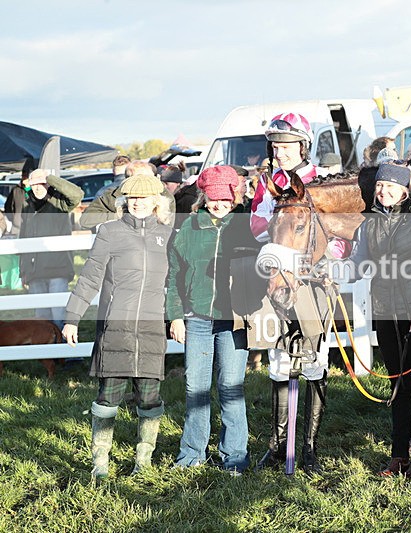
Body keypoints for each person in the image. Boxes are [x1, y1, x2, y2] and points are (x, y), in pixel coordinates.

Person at [62, 173, 173, 478]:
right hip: (116, 327)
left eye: (144, 198)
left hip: (151, 329)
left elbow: (178, 281)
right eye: (132, 198)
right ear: (125, 201)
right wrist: (72, 318)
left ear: (156, 201)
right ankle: (100, 462)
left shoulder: (168, 233)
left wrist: (177, 317)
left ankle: (144, 461)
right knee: (108, 396)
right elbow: (90, 276)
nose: (138, 203)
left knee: (149, 397)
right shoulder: (109, 232)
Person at [350, 162, 411, 477]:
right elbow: (360, 263)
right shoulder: (370, 224)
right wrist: (335, 268)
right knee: (398, 384)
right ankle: (398, 455)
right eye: (380, 186)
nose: (383, 192)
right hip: (386, 312)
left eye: (391, 187)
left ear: (405, 190)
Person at [251, 111, 338, 473]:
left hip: (315, 283)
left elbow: (340, 235)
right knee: (280, 362)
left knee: (315, 363)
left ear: (303, 145)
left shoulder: (322, 181)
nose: (280, 152)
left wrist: (326, 254)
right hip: (279, 282)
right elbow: (257, 227)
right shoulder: (268, 184)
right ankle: (276, 447)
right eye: (276, 145)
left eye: (287, 145)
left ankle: (310, 448)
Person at [168, 165, 258, 475]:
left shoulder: (247, 227)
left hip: (233, 319)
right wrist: (175, 317)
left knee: (231, 387)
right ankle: (192, 453)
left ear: (234, 197)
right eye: (213, 198)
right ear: (204, 197)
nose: (218, 205)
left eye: (224, 199)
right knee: (196, 387)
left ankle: (234, 456)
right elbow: (175, 277)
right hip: (197, 320)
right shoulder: (189, 228)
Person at [18, 169, 84, 329]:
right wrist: (24, 271)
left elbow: (77, 194)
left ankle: (66, 352)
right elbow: (24, 239)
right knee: (41, 319)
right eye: (34, 184)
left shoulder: (60, 203)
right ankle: (47, 352)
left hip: (57, 270)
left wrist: (50, 177)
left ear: (49, 183)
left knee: (59, 315)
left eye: (42, 183)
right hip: (35, 273)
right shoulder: (27, 206)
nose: (38, 187)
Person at [80, 161, 175, 231]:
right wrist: (120, 215)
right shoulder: (111, 195)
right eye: (139, 179)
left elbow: (167, 226)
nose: (145, 184)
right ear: (127, 180)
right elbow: (85, 221)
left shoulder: (164, 196)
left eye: (149, 179)